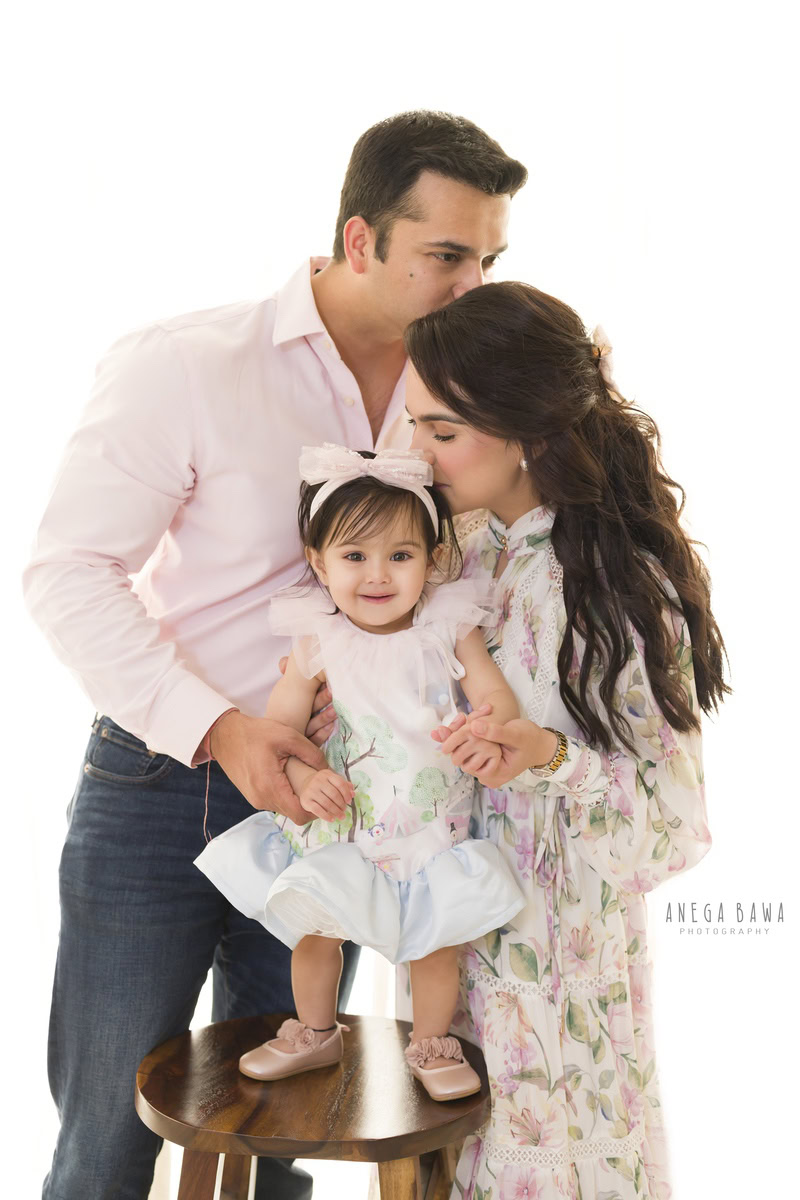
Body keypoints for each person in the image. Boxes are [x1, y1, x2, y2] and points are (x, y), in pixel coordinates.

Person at [22, 112, 527, 1199]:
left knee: (288, 1131)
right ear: (359, 240)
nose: (473, 285)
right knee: (108, 1137)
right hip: (164, 785)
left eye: (489, 259)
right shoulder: (187, 365)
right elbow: (67, 572)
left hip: (350, 804)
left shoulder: (462, 399)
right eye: (448, 254)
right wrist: (221, 729)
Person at [401, 281, 726, 1198]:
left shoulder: (617, 593)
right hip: (449, 969)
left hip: (559, 992)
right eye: (415, 424)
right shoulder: (453, 559)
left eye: (442, 431)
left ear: (527, 435)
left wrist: (547, 758)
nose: (417, 453)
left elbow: (672, 825)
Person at [195, 443, 527, 1100]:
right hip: (341, 822)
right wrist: (302, 780)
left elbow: (495, 696)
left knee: (434, 941)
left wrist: (487, 729)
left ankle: (430, 1043)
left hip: (424, 826)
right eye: (354, 556)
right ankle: (315, 1033)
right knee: (318, 935)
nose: (377, 576)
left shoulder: (448, 627)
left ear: (432, 559)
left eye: (400, 556)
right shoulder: (317, 637)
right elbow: (283, 730)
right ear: (319, 561)